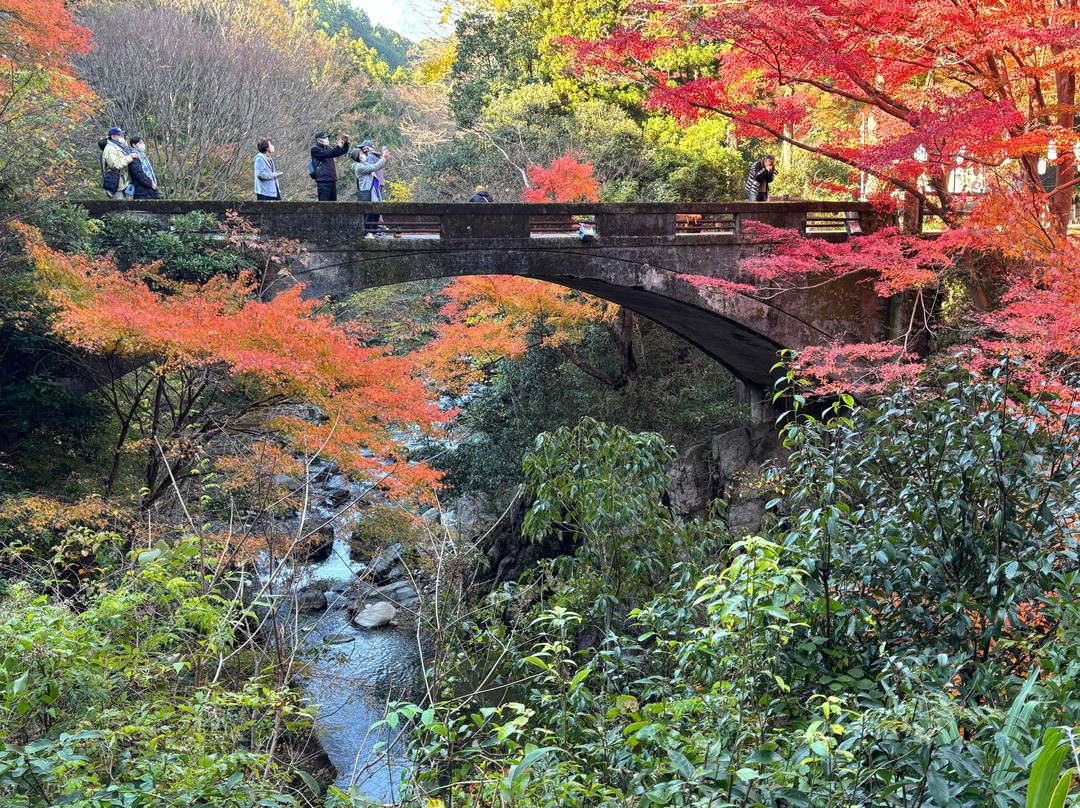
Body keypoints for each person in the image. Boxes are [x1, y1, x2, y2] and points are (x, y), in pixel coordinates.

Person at [350, 140, 389, 236]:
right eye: (361, 153)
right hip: (368, 191)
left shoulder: (364, 164)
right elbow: (374, 167)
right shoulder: (359, 167)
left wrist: (385, 159)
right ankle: (367, 232)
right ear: (358, 157)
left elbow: (376, 166)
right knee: (370, 212)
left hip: (373, 189)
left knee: (376, 210)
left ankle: (373, 231)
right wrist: (383, 158)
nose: (363, 154)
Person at [310, 130, 351, 201]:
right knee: (324, 204)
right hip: (323, 180)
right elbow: (328, 154)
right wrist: (338, 146)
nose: (326, 139)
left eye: (327, 137)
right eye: (324, 138)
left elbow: (340, 152)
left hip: (332, 179)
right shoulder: (315, 149)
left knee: (333, 203)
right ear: (318, 140)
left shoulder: (327, 148)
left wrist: (346, 143)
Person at [101, 126, 136, 200]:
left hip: (123, 183)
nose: (123, 136)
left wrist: (126, 148)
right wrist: (130, 157)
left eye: (123, 134)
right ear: (113, 137)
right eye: (119, 135)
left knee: (126, 208)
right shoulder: (111, 149)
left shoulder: (119, 147)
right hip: (116, 185)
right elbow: (115, 165)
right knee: (118, 209)